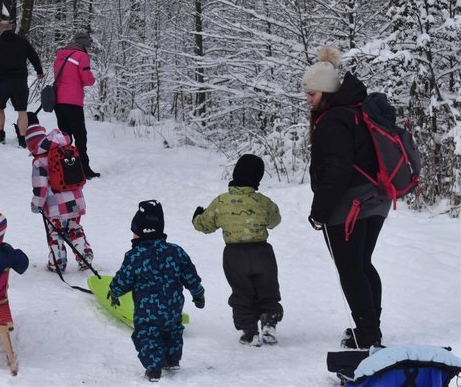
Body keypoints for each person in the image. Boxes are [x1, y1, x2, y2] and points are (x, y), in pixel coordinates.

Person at [303, 45, 389, 349]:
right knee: (362, 264)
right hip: (377, 199)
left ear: (325, 92)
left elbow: (337, 170)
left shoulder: (333, 121)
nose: (308, 99)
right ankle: (371, 329)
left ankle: (366, 335)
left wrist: (320, 211)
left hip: (350, 205)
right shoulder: (355, 110)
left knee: (351, 269)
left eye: (311, 94)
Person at [109, 200, 205, 382]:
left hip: (147, 312)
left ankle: (153, 369)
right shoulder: (176, 252)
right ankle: (172, 360)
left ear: (139, 233)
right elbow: (190, 275)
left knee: (147, 336)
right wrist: (198, 293)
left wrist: (114, 292)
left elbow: (123, 279)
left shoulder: (135, 256)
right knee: (173, 331)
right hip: (173, 308)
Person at [192, 154, 283, 346]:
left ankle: (249, 331)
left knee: (241, 292)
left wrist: (197, 218)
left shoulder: (221, 202)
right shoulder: (263, 202)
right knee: (268, 289)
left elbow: (205, 226)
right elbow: (275, 221)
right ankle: (269, 322)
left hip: (235, 256)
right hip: (262, 253)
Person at [25, 114, 93, 272]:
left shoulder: (39, 161)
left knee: (55, 233)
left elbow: (40, 188)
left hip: (56, 208)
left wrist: (36, 205)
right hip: (76, 202)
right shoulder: (64, 152)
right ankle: (85, 256)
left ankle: (58, 262)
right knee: (74, 227)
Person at [0, 20, 43, 147]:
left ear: (0, 30)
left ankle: (0, 133)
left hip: (2, 81)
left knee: (0, 107)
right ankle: (22, 138)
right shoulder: (22, 42)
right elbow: (33, 56)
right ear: (11, 29)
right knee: (22, 111)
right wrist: (39, 70)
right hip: (20, 80)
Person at [54, 31, 99, 179]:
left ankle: (65, 167)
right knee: (80, 136)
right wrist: (92, 79)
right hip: (73, 101)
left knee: (65, 137)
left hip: (58, 101)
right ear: (84, 45)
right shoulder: (82, 56)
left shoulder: (60, 55)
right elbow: (87, 79)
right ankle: (84, 169)